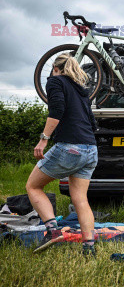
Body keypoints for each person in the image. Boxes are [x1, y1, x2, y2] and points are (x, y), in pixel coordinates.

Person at [26, 53, 98, 256]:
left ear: (56, 69)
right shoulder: (81, 90)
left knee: (33, 186)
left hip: (70, 147)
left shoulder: (55, 82)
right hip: (91, 149)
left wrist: (44, 138)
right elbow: (92, 123)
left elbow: (56, 111)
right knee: (80, 199)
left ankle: (52, 230)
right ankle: (89, 248)